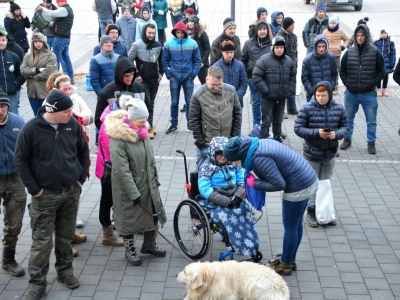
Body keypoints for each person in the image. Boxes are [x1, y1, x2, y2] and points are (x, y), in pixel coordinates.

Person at [14, 89, 90, 299]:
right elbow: (20, 161)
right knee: (41, 242)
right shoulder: (30, 129)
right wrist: (34, 189)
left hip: (70, 192)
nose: (71, 113)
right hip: (44, 196)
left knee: (65, 237)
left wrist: (80, 178)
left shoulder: (72, 124)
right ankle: (37, 283)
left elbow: (83, 150)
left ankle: (65, 273)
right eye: (67, 110)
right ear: (53, 110)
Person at [223, 135, 318, 276]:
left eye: (232, 160)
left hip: (298, 186)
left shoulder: (259, 158)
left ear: (239, 156)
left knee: (290, 226)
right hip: (307, 178)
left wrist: (253, 184)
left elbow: (279, 184)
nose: (232, 163)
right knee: (296, 223)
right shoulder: (257, 144)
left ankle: (285, 264)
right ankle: (290, 258)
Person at [105, 97, 166, 266]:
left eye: (145, 120)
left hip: (147, 183)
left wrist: (154, 178)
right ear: (130, 119)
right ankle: (130, 250)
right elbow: (121, 170)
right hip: (128, 188)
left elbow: (150, 159)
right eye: (140, 121)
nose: (144, 124)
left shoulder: (143, 134)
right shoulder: (118, 139)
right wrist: (134, 192)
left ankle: (149, 245)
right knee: (128, 220)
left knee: (152, 214)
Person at [294, 81, 348, 228]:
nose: (320, 98)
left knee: (325, 183)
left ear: (329, 95)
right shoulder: (307, 108)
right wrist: (316, 133)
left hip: (329, 153)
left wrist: (335, 135)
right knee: (311, 183)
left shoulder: (338, 108)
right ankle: (311, 211)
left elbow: (346, 127)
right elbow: (298, 128)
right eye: (318, 95)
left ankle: (324, 211)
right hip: (312, 153)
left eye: (323, 95)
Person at [198, 137, 259, 256]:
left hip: (233, 196)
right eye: (218, 154)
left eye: (224, 154)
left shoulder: (233, 162)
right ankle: (239, 245)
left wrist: (238, 196)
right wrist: (226, 202)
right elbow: (205, 190)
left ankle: (251, 245)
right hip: (215, 201)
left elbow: (242, 181)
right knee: (227, 216)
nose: (223, 158)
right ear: (212, 153)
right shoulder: (206, 167)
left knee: (245, 212)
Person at [95, 94, 136, 248]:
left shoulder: (115, 118)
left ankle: (115, 226)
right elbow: (113, 153)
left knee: (113, 199)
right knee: (107, 201)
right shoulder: (110, 125)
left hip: (113, 168)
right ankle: (107, 234)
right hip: (109, 169)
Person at [339, 24, 385, 155]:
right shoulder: (349, 52)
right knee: (348, 119)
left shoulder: (375, 51)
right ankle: (347, 140)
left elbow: (382, 71)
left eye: (362, 36)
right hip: (351, 93)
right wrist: (347, 83)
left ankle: (371, 143)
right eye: (357, 36)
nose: (359, 38)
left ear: (366, 36)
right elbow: (342, 70)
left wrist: (373, 83)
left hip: (369, 93)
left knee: (371, 121)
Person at [189, 66, 242, 168]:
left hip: (228, 143)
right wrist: (201, 143)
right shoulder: (198, 95)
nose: (217, 88)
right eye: (213, 85)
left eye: (219, 85)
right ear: (207, 79)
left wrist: (234, 138)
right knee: (202, 175)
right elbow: (193, 120)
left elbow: (238, 114)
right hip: (207, 144)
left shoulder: (231, 91)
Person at [0, 89, 26, 278]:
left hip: (16, 179)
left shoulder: (18, 122)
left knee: (15, 222)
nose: (0, 110)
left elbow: (29, 150)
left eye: (3, 106)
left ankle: (8, 259)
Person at [252, 36, 296, 141]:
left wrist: (289, 90)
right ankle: (263, 143)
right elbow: (256, 76)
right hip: (268, 98)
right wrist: (266, 91)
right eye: (277, 47)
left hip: (281, 98)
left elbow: (293, 77)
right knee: (266, 122)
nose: (279, 50)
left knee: (278, 122)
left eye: (281, 47)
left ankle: (277, 141)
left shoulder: (289, 61)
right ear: (273, 48)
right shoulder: (264, 60)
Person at [162, 21, 201, 134]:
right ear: (175, 32)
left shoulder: (193, 43)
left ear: (185, 32)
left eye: (181, 33)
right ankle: (174, 124)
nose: (180, 35)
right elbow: (164, 61)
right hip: (175, 77)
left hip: (188, 76)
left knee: (190, 102)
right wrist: (169, 75)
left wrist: (193, 75)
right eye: (178, 33)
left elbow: (197, 60)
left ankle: (191, 124)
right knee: (174, 102)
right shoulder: (169, 44)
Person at [95, 56, 146, 135]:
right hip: (116, 137)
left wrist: (144, 129)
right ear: (119, 74)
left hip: (138, 135)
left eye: (132, 75)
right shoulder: (106, 93)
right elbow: (99, 120)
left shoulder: (140, 88)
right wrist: (112, 135)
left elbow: (148, 109)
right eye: (126, 76)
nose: (130, 78)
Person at [129, 23, 163, 139]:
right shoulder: (137, 45)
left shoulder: (158, 46)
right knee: (146, 104)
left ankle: (149, 126)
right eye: (149, 33)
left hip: (154, 80)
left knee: (151, 104)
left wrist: (161, 73)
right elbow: (129, 61)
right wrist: (136, 74)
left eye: (153, 33)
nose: (151, 35)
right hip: (142, 81)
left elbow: (161, 61)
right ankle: (147, 128)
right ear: (144, 32)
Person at [36, 0, 75, 84]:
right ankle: (70, 76)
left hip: (60, 38)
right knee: (65, 57)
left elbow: (52, 13)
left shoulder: (64, 9)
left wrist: (42, 8)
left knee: (56, 58)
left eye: (58, 3)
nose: (57, 5)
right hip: (65, 37)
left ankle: (56, 78)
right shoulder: (68, 10)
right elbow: (58, 23)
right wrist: (47, 23)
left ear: (62, 2)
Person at [242, 20, 272, 127]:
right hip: (253, 80)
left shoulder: (272, 43)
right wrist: (248, 78)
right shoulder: (248, 44)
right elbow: (243, 61)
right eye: (260, 29)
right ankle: (256, 126)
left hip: (268, 81)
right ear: (256, 31)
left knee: (269, 104)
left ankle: (269, 127)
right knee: (256, 103)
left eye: (264, 29)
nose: (262, 31)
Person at [20, 32, 57, 116]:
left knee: (47, 115)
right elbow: (22, 71)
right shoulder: (28, 55)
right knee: (36, 115)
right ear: (33, 43)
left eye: (40, 41)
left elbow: (49, 72)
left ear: (44, 42)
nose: (38, 44)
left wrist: (32, 75)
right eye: (36, 42)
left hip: (45, 90)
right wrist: (37, 70)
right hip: (32, 91)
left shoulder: (50, 55)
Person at [179, 14, 210, 113]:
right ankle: (189, 103)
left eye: (192, 22)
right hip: (190, 64)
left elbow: (207, 49)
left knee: (205, 84)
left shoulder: (202, 34)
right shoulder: (186, 34)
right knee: (188, 85)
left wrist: (203, 62)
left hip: (201, 64)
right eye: (189, 21)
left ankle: (208, 102)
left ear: (196, 23)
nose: (190, 23)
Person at [301, 35, 337, 102]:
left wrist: (331, 87)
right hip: (312, 95)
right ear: (315, 47)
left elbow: (334, 74)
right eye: (319, 46)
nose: (321, 49)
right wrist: (312, 91)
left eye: (323, 46)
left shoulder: (331, 57)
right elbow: (305, 78)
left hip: (327, 94)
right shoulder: (308, 59)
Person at [214, 40, 247, 108]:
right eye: (227, 52)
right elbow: (215, 86)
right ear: (222, 52)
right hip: (222, 104)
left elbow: (243, 83)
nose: (230, 55)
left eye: (231, 52)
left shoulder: (240, 65)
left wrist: (236, 96)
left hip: (237, 103)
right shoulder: (216, 67)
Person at [322, 15, 349, 95]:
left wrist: (343, 47)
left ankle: (335, 87)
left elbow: (347, 39)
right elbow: (321, 40)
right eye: (330, 23)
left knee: (336, 71)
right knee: (327, 71)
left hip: (336, 55)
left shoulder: (340, 31)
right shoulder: (325, 31)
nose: (332, 24)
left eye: (333, 23)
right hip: (327, 55)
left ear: (336, 23)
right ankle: (327, 87)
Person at [277, 17, 299, 115]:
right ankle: (282, 110)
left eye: (293, 25)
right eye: (291, 25)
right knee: (283, 87)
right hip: (283, 65)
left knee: (292, 86)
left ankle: (292, 107)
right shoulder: (280, 37)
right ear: (286, 26)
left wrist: (296, 63)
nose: (293, 27)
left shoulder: (294, 36)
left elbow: (296, 51)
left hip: (293, 65)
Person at [0, 30, 24, 115]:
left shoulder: (13, 56)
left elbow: (21, 72)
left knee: (12, 116)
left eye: (3, 40)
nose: (1, 43)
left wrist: (16, 84)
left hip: (12, 94)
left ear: (6, 41)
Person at [373, 28, 396, 97]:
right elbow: (374, 52)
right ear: (380, 34)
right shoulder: (376, 42)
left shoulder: (390, 43)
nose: (383, 34)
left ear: (387, 34)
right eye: (382, 33)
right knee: (378, 75)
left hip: (387, 63)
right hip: (378, 63)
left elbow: (393, 53)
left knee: (385, 76)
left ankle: (384, 89)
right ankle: (378, 88)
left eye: (385, 33)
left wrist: (392, 62)